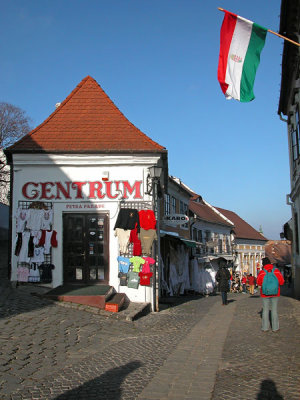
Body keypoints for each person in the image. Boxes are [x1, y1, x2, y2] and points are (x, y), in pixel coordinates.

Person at [256, 257, 284, 332]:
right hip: (275, 293)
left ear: (263, 264)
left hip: (265, 294)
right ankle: (275, 328)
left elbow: (258, 282)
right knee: (274, 310)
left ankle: (265, 328)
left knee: (265, 310)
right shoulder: (276, 271)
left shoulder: (262, 272)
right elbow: (281, 282)